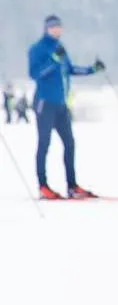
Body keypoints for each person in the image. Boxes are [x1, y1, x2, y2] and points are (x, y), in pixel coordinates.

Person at [27, 14, 104, 199]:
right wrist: (53, 60)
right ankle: (43, 186)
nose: (57, 30)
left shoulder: (59, 48)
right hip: (45, 103)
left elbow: (69, 69)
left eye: (59, 27)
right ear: (46, 28)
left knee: (69, 144)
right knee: (44, 144)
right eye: (53, 27)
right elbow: (35, 74)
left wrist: (92, 69)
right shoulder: (38, 48)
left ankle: (72, 185)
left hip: (61, 105)